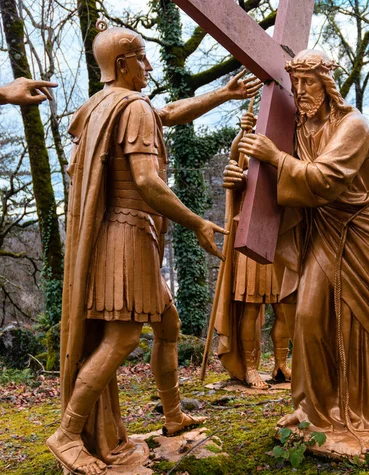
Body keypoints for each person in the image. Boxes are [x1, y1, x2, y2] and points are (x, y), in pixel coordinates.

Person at [46, 21, 260, 475]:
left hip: (114, 235)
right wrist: (198, 221)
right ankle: (66, 433)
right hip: (129, 237)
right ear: (122, 65)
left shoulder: (99, 108)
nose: (148, 65)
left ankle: (173, 415)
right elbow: (146, 182)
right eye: (141, 58)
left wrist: (222, 95)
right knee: (123, 337)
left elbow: (169, 113)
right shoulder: (132, 106)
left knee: (168, 326)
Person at [238, 49, 369, 438]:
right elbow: (276, 180)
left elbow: (324, 180)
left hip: (367, 231)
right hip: (326, 231)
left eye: (308, 82)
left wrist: (275, 158)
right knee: (310, 319)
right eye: (295, 83)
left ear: (328, 85)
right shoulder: (297, 128)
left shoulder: (354, 126)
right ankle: (312, 406)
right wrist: (242, 179)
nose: (300, 91)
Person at [217, 111, 292, 389]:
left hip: (278, 238)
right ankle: (250, 368)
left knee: (283, 308)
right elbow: (236, 159)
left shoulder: (282, 159)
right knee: (251, 308)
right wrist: (243, 132)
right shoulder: (245, 164)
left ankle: (282, 365)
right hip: (250, 238)